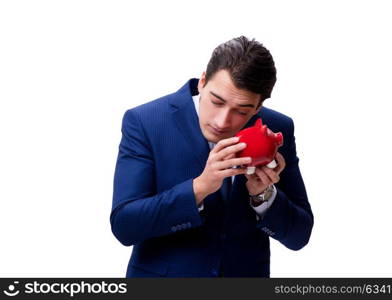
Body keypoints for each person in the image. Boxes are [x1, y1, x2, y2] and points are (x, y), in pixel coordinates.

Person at [110, 36, 313, 277]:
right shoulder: (146, 122)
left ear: (258, 108)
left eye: (242, 111)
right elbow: (125, 226)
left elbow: (299, 236)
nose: (222, 121)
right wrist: (198, 189)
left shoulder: (278, 128)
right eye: (217, 101)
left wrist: (264, 196)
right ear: (203, 81)